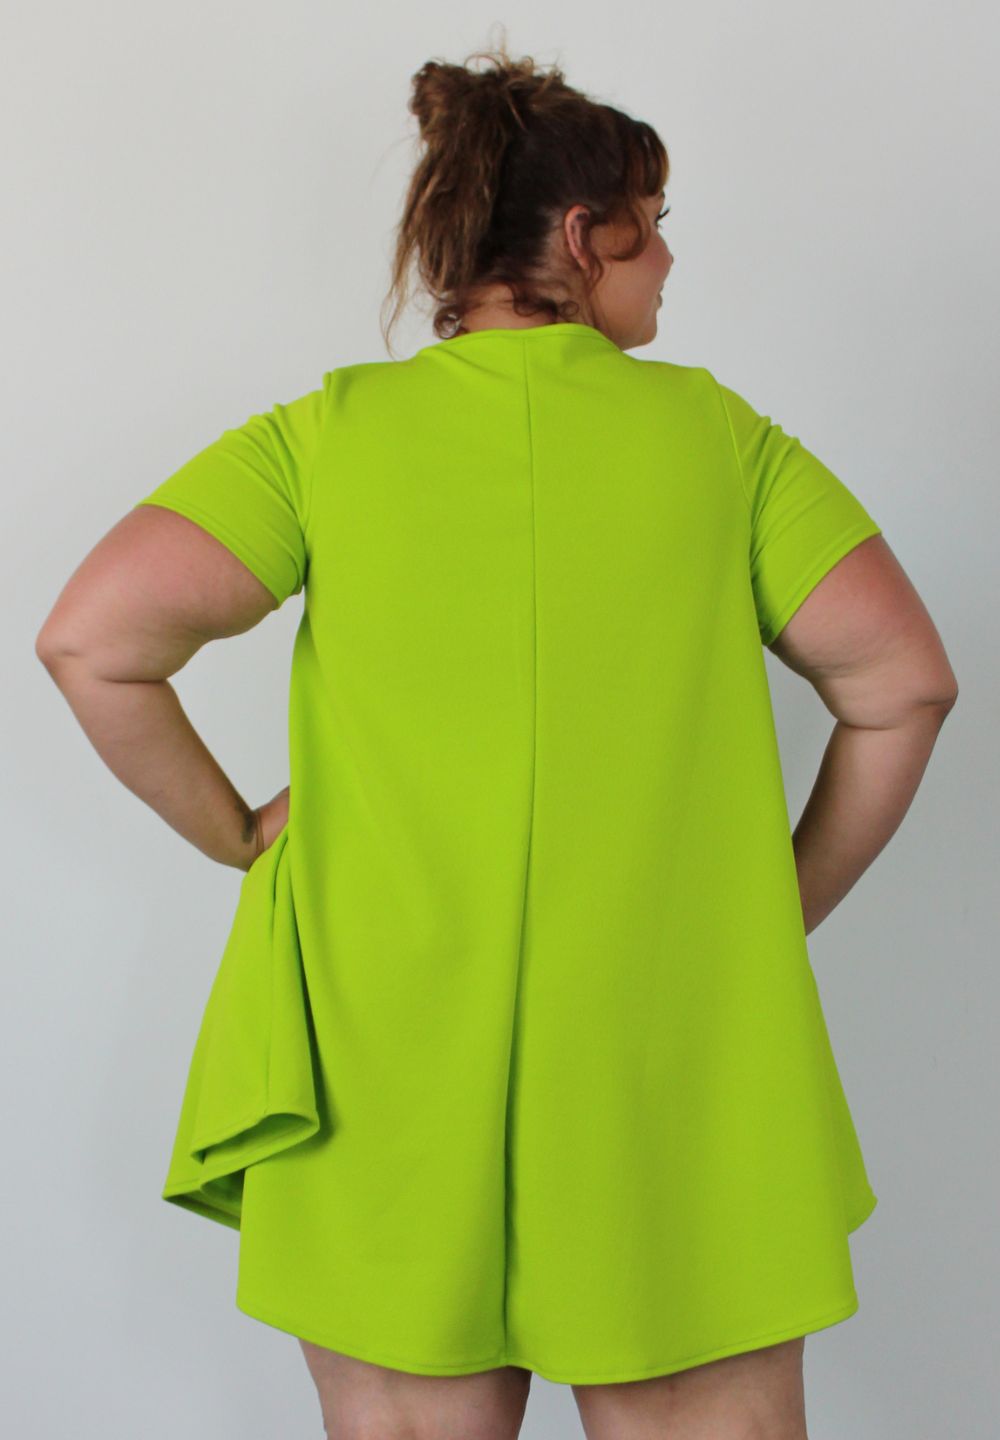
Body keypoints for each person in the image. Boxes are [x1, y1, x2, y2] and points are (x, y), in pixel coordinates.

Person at [35, 37, 958, 1440]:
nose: (669, 261)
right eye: (655, 225)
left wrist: (238, 831)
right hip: (663, 1047)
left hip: (380, 1039)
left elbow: (93, 640)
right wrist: (770, 906)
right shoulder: (722, 443)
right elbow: (904, 685)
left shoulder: (326, 436)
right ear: (584, 238)